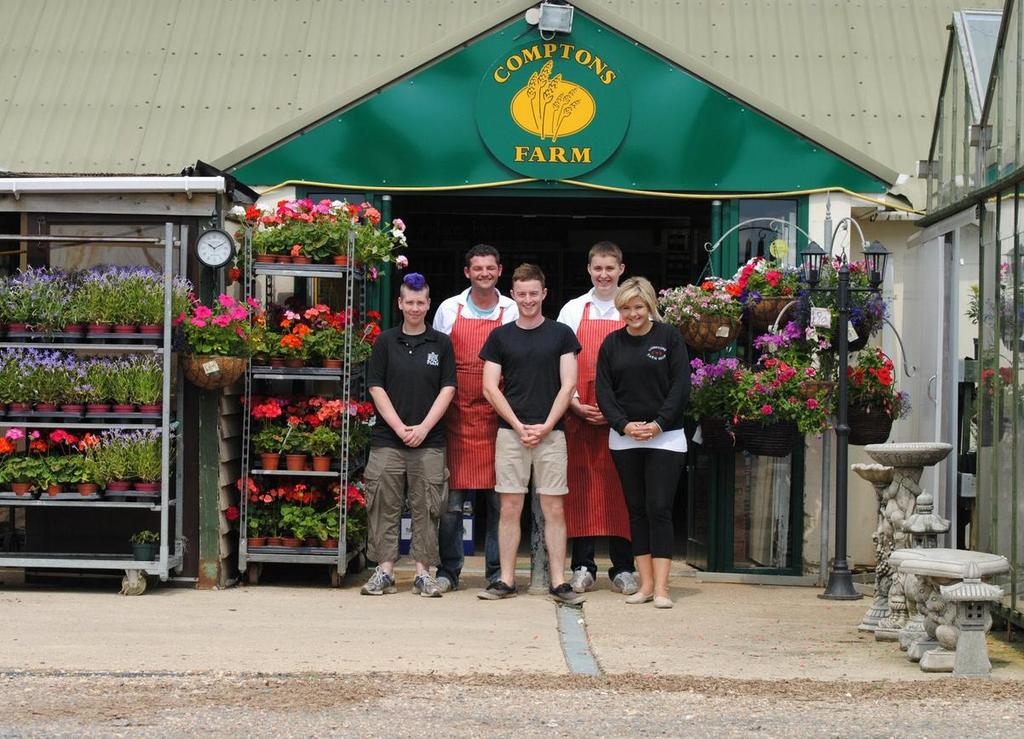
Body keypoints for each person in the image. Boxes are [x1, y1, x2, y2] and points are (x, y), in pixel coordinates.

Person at [477, 263, 583, 604]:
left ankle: (558, 581)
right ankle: (506, 579)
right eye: (521, 294)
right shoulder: (499, 337)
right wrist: (519, 425)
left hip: (552, 434)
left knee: (553, 508)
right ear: (513, 295)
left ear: (544, 294)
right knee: (510, 505)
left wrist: (547, 425)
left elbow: (569, 385)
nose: (527, 299)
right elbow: (490, 387)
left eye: (533, 293)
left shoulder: (561, 334)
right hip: (511, 433)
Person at [596, 276, 690, 609]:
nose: (633, 314)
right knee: (636, 512)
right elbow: (604, 392)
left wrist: (658, 424)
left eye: (638, 307)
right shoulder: (611, 344)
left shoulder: (670, 338)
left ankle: (663, 588)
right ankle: (645, 585)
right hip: (625, 440)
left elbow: (680, 387)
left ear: (650, 305)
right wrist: (624, 425)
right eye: (626, 308)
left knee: (659, 509)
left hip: (666, 438)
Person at [361, 273, 457, 598]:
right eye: (409, 302)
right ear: (400, 303)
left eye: (421, 302)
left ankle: (423, 573)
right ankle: (385, 571)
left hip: (429, 440)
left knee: (428, 506)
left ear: (428, 304)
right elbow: (376, 386)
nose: (415, 308)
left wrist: (423, 428)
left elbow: (448, 388)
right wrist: (400, 428)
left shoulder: (441, 343)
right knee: (382, 504)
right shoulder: (385, 341)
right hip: (389, 439)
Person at [432, 244, 518, 592]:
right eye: (477, 268)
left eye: (490, 268)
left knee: (500, 501)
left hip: (498, 417)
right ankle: (449, 571)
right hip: (456, 417)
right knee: (451, 504)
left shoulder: (512, 310)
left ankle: (497, 572)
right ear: (467, 272)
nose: (484, 273)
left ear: (500, 271)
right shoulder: (448, 309)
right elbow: (438, 359)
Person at [557, 241, 639, 596]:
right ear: (589, 270)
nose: (604, 274)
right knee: (583, 491)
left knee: (625, 491)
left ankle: (623, 567)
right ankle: (583, 566)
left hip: (625, 419)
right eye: (597, 268)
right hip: (581, 418)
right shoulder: (574, 310)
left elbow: (645, 366)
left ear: (622, 268)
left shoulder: (636, 309)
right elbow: (559, 361)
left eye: (610, 268)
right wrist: (574, 403)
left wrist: (619, 413)